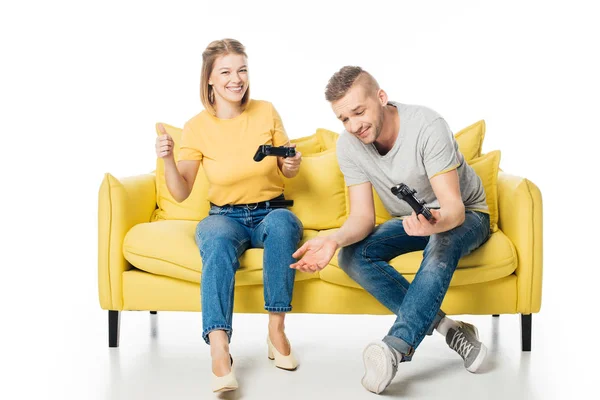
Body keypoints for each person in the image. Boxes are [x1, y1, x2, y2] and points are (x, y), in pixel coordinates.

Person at [291, 66, 491, 394]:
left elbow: (453, 209)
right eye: (344, 119)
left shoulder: (427, 126)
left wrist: (434, 223)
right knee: (354, 255)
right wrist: (333, 240)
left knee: (440, 240)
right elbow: (362, 219)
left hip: (465, 216)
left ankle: (394, 349)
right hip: (413, 221)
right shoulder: (349, 146)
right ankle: (448, 328)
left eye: (359, 112)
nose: (354, 126)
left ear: (381, 98)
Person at [155, 39, 303, 393]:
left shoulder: (266, 111)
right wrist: (167, 160)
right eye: (226, 72)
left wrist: (292, 163)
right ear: (209, 79)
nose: (236, 79)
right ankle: (219, 349)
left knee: (284, 227)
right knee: (217, 243)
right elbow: (181, 191)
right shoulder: (196, 127)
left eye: (242, 70)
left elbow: (287, 167)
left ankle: (276, 331)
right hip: (224, 216)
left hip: (272, 210)